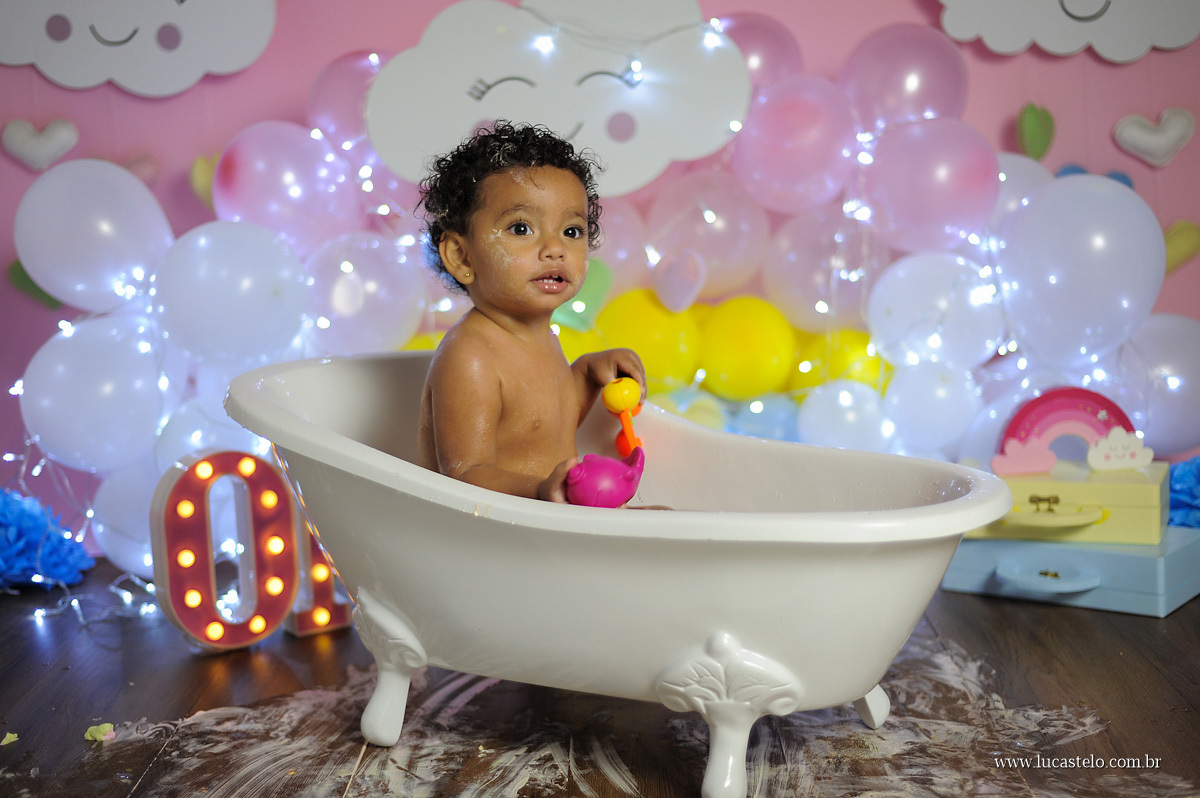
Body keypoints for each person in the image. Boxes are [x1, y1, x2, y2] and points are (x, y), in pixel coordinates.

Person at [416, 121, 646, 502]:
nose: (555, 248)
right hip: (493, 527)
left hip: (544, 520)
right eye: (521, 228)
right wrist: (541, 490)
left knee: (664, 518)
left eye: (571, 231)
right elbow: (464, 475)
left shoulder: (539, 336)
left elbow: (538, 429)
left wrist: (586, 375)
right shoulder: (471, 356)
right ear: (462, 256)